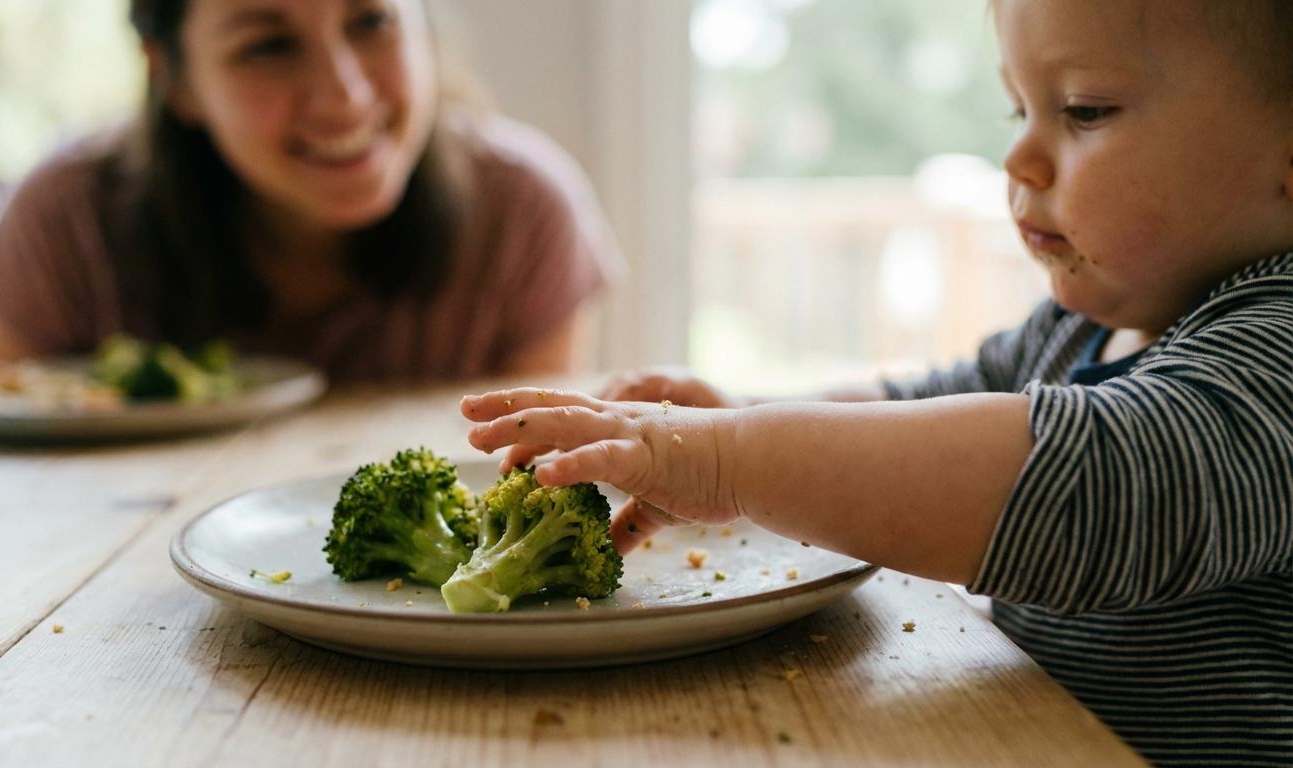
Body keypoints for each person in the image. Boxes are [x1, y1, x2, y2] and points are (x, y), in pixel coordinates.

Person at [462, 1, 1293, 765]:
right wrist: (748, 416)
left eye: (1084, 110)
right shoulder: (1085, 323)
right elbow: (919, 410)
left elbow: (1092, 484)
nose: (1020, 155)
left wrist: (729, 461)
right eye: (1018, 108)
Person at [0, 0, 619, 383]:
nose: (345, 96)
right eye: (268, 46)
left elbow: (532, 493)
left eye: (370, 20)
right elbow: (15, 500)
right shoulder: (64, 222)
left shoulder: (525, 215)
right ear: (175, 80)